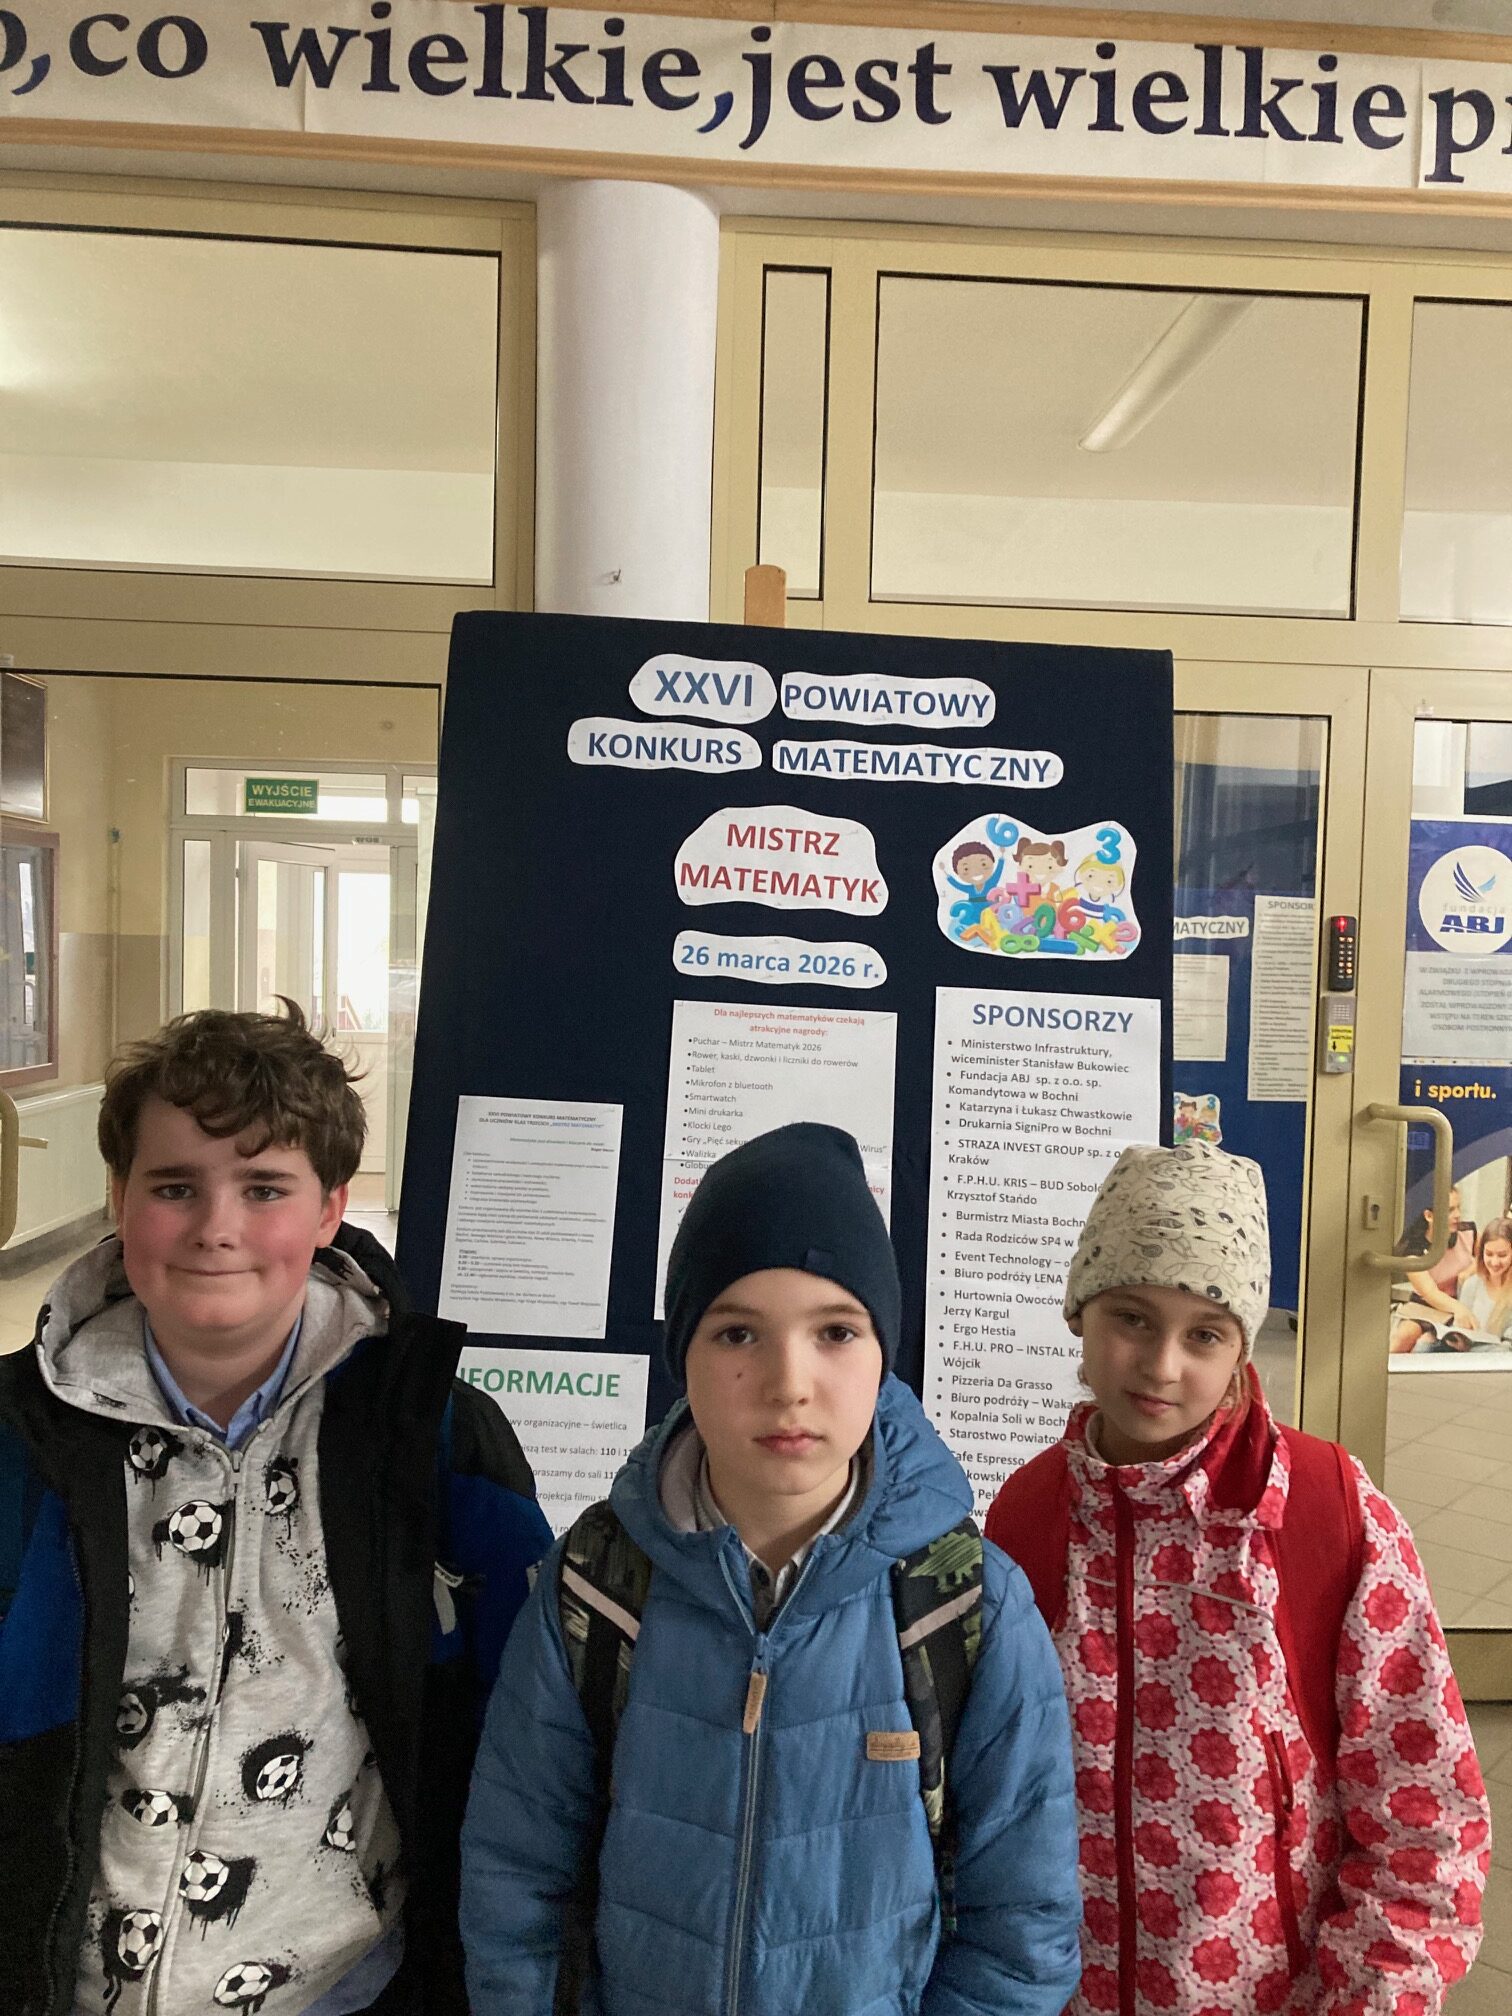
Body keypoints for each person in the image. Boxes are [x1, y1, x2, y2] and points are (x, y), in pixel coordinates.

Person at [0, 1002, 553, 2016]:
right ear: (119, 1198)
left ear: (331, 1209)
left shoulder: (429, 1438)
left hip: (342, 1988)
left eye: (265, 1189)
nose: (217, 1227)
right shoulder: (17, 1440)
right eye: (175, 1187)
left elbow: (521, 1729)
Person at [461, 1122, 1084, 2016]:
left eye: (835, 1331)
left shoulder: (966, 1606)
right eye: (737, 1334)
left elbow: (1022, 1931)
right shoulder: (595, 1588)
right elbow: (516, 1885)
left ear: (884, 1354)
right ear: (683, 1355)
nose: (789, 1382)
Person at [986, 1140, 1490, 2016]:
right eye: (1132, 1317)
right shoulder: (1027, 1517)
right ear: (1080, 1312)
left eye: (1204, 1334)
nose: (1162, 1364)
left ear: (1240, 1349)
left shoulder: (1327, 1515)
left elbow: (1424, 1815)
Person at [1389, 1186, 1478, 1353]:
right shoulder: (1413, 1251)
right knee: (1404, 1336)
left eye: (1458, 1207)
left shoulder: (1468, 1231)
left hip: (1464, 1298)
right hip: (1428, 1304)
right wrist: (1459, 1309)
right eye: (1450, 1210)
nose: (1457, 1215)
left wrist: (1470, 1271)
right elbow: (1430, 1293)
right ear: (1429, 1216)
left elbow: (1484, 1260)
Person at [1417, 1214, 1512, 1353]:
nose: (1495, 1262)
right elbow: (1462, 1328)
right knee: (1424, 1344)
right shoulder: (1472, 1284)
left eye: (1502, 1255)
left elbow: (1507, 1348)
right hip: (1468, 1351)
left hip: (1500, 1355)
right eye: (1489, 1254)